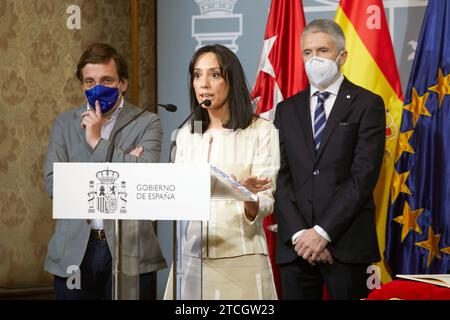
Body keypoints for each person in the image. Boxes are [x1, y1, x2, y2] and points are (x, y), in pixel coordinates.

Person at [44, 43, 167, 299]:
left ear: (123, 83)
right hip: (75, 251)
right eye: (90, 81)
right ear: (82, 85)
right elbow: (55, 186)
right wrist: (123, 167)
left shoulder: (148, 122)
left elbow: (146, 179)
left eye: (107, 80)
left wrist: (97, 143)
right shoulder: (65, 124)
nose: (97, 88)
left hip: (131, 250)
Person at [274, 19, 386, 300]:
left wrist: (323, 232)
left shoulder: (367, 104)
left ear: (342, 56)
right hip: (296, 247)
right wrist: (302, 234)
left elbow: (363, 176)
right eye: (307, 53)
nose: (314, 59)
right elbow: (280, 175)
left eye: (322, 51)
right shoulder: (286, 109)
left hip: (346, 244)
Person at [164, 44, 280, 299]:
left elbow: (265, 202)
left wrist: (248, 197)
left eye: (214, 75)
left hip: (241, 256)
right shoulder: (186, 134)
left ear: (231, 80)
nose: (203, 83)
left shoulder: (261, 131)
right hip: (190, 258)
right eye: (197, 75)